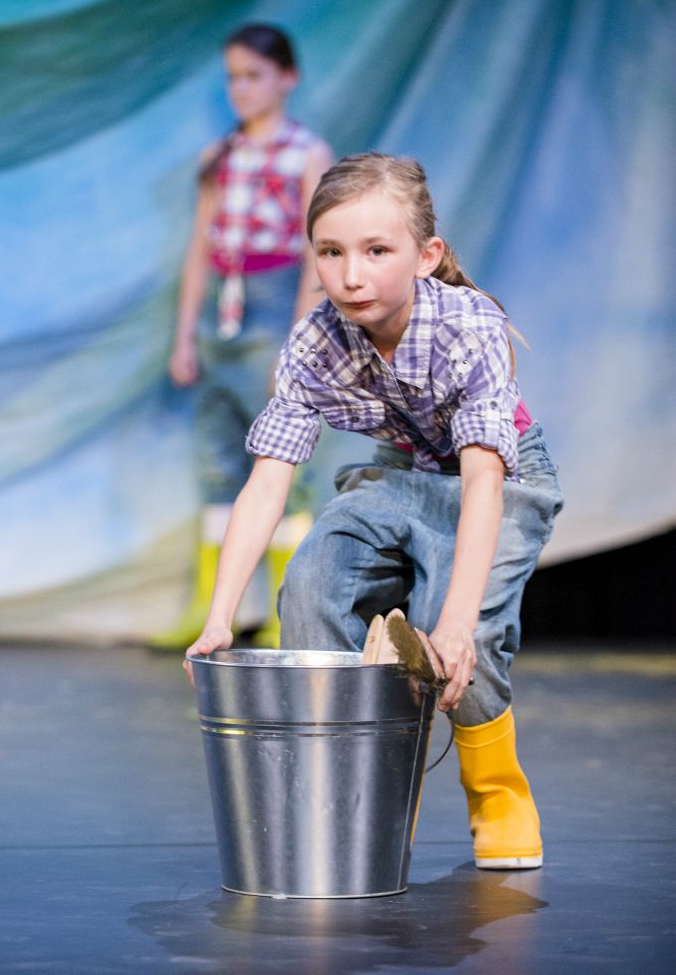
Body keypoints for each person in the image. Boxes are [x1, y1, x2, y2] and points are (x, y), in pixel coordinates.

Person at [185, 152, 564, 870]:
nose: (350, 275)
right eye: (330, 252)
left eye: (376, 251)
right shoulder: (314, 342)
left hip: (499, 480)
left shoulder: (468, 325)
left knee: (461, 635)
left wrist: (452, 621)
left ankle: (496, 792)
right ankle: (357, 794)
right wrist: (220, 615)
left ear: (427, 256)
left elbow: (484, 481)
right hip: (400, 475)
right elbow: (266, 484)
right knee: (312, 583)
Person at [151, 24, 333, 650]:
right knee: (218, 460)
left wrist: (298, 340)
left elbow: (318, 250)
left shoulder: (307, 152)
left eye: (254, 75)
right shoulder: (220, 156)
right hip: (219, 321)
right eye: (233, 77)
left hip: (273, 308)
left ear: (288, 78)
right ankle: (211, 606)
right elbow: (200, 249)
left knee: (282, 464)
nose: (241, 89)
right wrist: (184, 337)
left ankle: (291, 609)